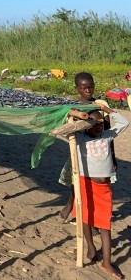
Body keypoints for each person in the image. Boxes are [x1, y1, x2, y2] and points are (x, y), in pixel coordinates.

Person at [70, 105, 128, 279]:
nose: (98, 127)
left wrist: (107, 110)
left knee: (105, 224)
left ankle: (107, 262)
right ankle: (91, 248)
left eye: (101, 124)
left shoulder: (107, 135)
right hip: (85, 183)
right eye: (94, 124)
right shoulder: (79, 137)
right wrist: (74, 116)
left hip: (104, 188)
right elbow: (61, 130)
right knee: (86, 218)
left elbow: (124, 122)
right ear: (85, 125)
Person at [59, 72, 119, 222]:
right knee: (78, 182)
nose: (88, 91)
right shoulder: (74, 108)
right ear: (77, 88)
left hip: (100, 152)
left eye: (90, 88)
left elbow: (108, 131)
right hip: (81, 152)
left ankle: (91, 218)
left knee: (95, 187)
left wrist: (112, 156)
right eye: (84, 88)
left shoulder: (100, 106)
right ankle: (71, 205)